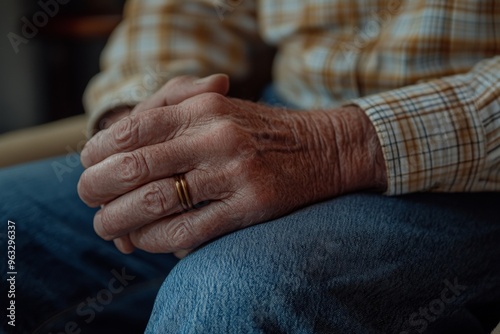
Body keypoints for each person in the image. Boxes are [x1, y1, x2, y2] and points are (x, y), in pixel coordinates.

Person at [1, 0, 499, 333]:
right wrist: (142, 121)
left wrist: (335, 145)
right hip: (267, 121)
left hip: (463, 165)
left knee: (231, 292)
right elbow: (188, 13)